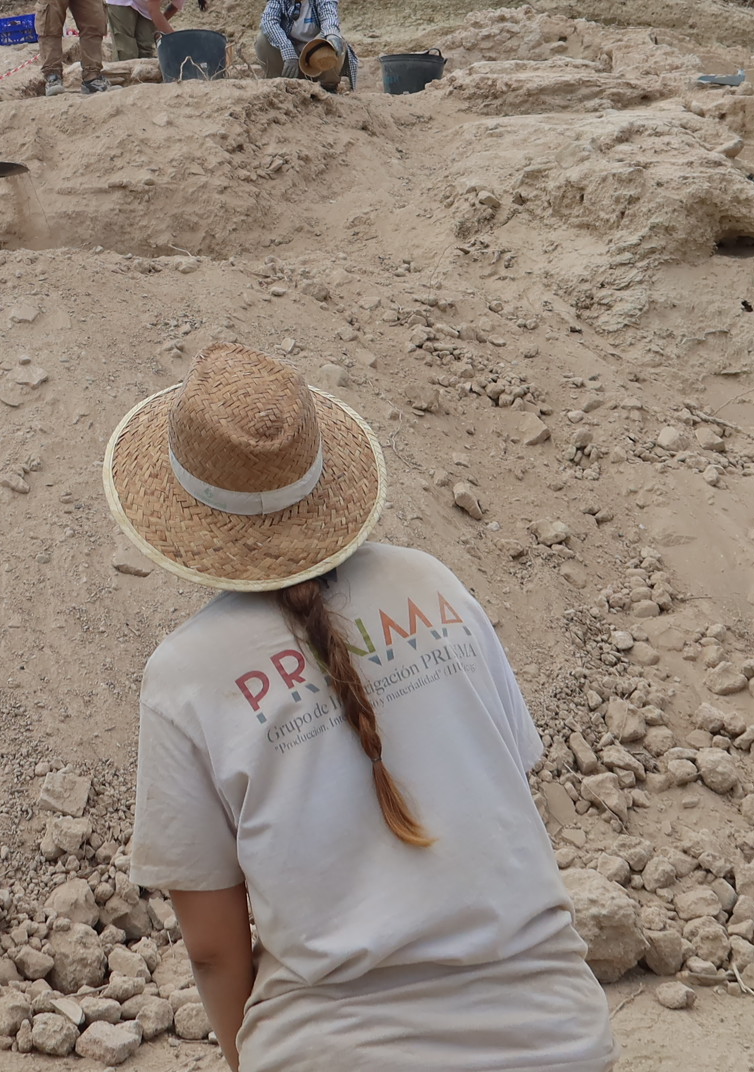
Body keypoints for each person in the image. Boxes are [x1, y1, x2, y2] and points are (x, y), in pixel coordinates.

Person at [106, 345, 616, 1072]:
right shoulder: (434, 584)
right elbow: (507, 786)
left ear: (184, 509)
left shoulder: (186, 675)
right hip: (558, 1039)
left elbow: (215, 949)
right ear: (325, 479)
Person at [257, 0, 355, 91]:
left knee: (334, 40)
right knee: (262, 39)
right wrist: (287, 50)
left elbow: (329, 19)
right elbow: (268, 22)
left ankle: (329, 87)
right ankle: (279, 84)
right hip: (290, 60)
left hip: (316, 59)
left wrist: (332, 35)